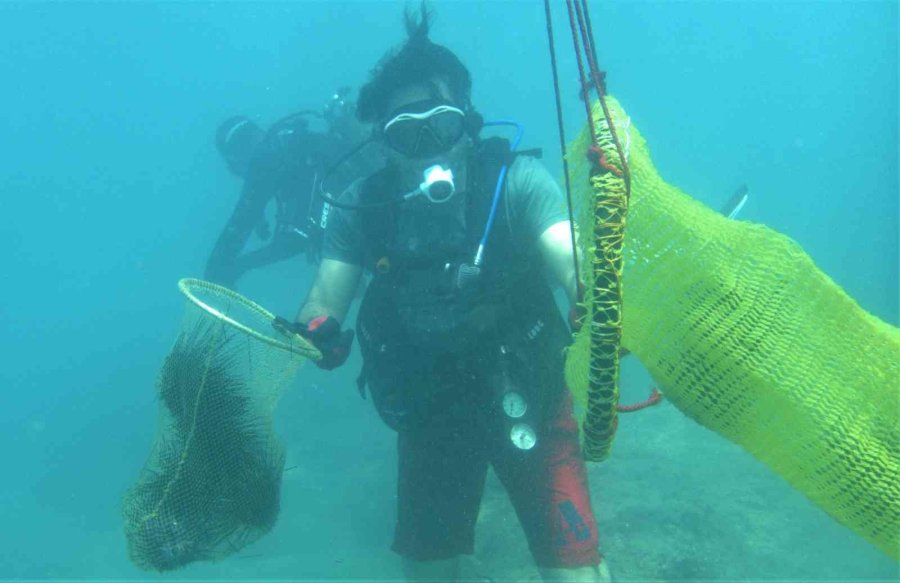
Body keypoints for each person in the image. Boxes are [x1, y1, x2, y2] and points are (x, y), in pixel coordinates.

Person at [283, 7, 612, 583]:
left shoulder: (516, 183)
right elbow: (325, 300)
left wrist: (594, 294)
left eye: (443, 125)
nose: (429, 146)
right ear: (384, 143)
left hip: (530, 392)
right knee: (429, 573)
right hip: (430, 409)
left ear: (469, 123)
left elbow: (569, 256)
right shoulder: (361, 208)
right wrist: (318, 331)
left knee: (575, 574)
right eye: (406, 133)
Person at [205, 89, 370, 287]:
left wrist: (220, 271)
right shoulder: (298, 146)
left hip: (366, 223)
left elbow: (246, 222)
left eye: (234, 166)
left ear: (237, 156)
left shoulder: (266, 159)